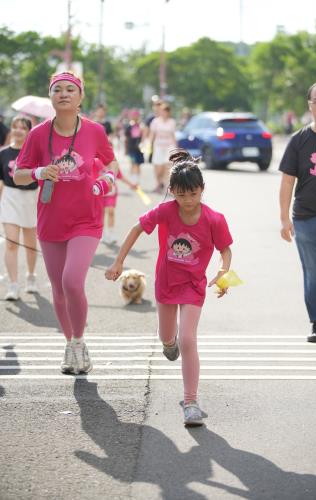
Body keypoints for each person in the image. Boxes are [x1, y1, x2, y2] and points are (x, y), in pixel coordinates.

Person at [105, 148, 233, 426]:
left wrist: (223, 273)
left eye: (193, 194)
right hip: (166, 283)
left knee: (189, 339)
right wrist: (118, 262)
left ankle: (191, 402)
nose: (187, 201)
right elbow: (137, 229)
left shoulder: (214, 219)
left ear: (202, 189)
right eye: (181, 194)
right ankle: (168, 342)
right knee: (168, 338)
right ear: (172, 191)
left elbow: (225, 250)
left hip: (193, 286)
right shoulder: (165, 211)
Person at [14, 71, 118, 374]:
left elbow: (110, 161)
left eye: (70, 89)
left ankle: (79, 339)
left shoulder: (94, 131)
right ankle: (72, 344)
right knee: (58, 289)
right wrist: (38, 172)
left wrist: (106, 180)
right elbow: (19, 174)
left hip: (86, 219)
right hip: (51, 220)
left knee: (72, 281)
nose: (63, 94)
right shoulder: (37, 134)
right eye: (57, 89)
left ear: (80, 97)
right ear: (50, 97)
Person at [279, 80, 316, 344]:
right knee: (312, 273)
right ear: (309, 105)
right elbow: (287, 181)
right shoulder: (299, 140)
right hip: (307, 218)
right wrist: (283, 218)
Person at [0, 116, 38, 300]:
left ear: (29, 131)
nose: (18, 130)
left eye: (23, 127)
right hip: (10, 198)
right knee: (12, 242)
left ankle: (31, 276)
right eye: (15, 127)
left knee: (31, 247)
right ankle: (13, 285)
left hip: (30, 199)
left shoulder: (35, 153)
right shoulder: (3, 153)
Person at [92, 158, 137, 245]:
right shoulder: (97, 163)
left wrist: (131, 184)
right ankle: (103, 233)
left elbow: (121, 177)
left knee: (111, 212)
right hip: (100, 194)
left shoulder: (114, 166)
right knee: (101, 214)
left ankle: (111, 233)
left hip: (111, 194)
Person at [149, 102, 177, 193]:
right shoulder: (155, 121)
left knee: (167, 166)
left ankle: (165, 185)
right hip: (158, 146)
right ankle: (158, 182)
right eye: (163, 111)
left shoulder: (172, 122)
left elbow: (173, 135)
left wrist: (176, 148)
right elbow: (152, 135)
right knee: (158, 168)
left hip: (168, 146)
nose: (165, 113)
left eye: (167, 111)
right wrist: (149, 146)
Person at [124, 109, 145, 184]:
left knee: (138, 164)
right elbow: (126, 138)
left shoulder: (141, 125)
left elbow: (144, 136)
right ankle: (134, 180)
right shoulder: (129, 126)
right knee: (133, 163)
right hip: (131, 147)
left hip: (139, 148)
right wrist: (125, 149)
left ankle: (137, 179)